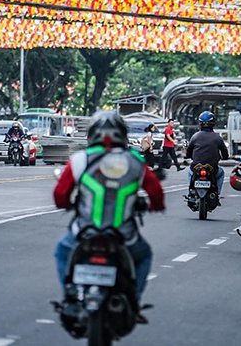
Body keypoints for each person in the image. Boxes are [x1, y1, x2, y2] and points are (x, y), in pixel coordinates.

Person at [53, 110, 165, 324]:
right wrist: (153, 206)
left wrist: (68, 203)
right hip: (124, 237)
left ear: (92, 134)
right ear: (122, 134)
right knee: (144, 256)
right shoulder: (135, 161)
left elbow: (60, 196)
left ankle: (70, 294)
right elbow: (156, 194)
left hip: (84, 234)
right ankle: (134, 302)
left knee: (61, 252)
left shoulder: (80, 159)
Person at [185, 111, 229, 196]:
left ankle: (191, 190)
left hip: (196, 167)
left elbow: (189, 151)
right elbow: (224, 151)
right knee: (221, 173)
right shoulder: (217, 137)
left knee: (190, 172)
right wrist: (225, 157)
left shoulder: (195, 136)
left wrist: (188, 156)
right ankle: (217, 192)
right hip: (212, 168)